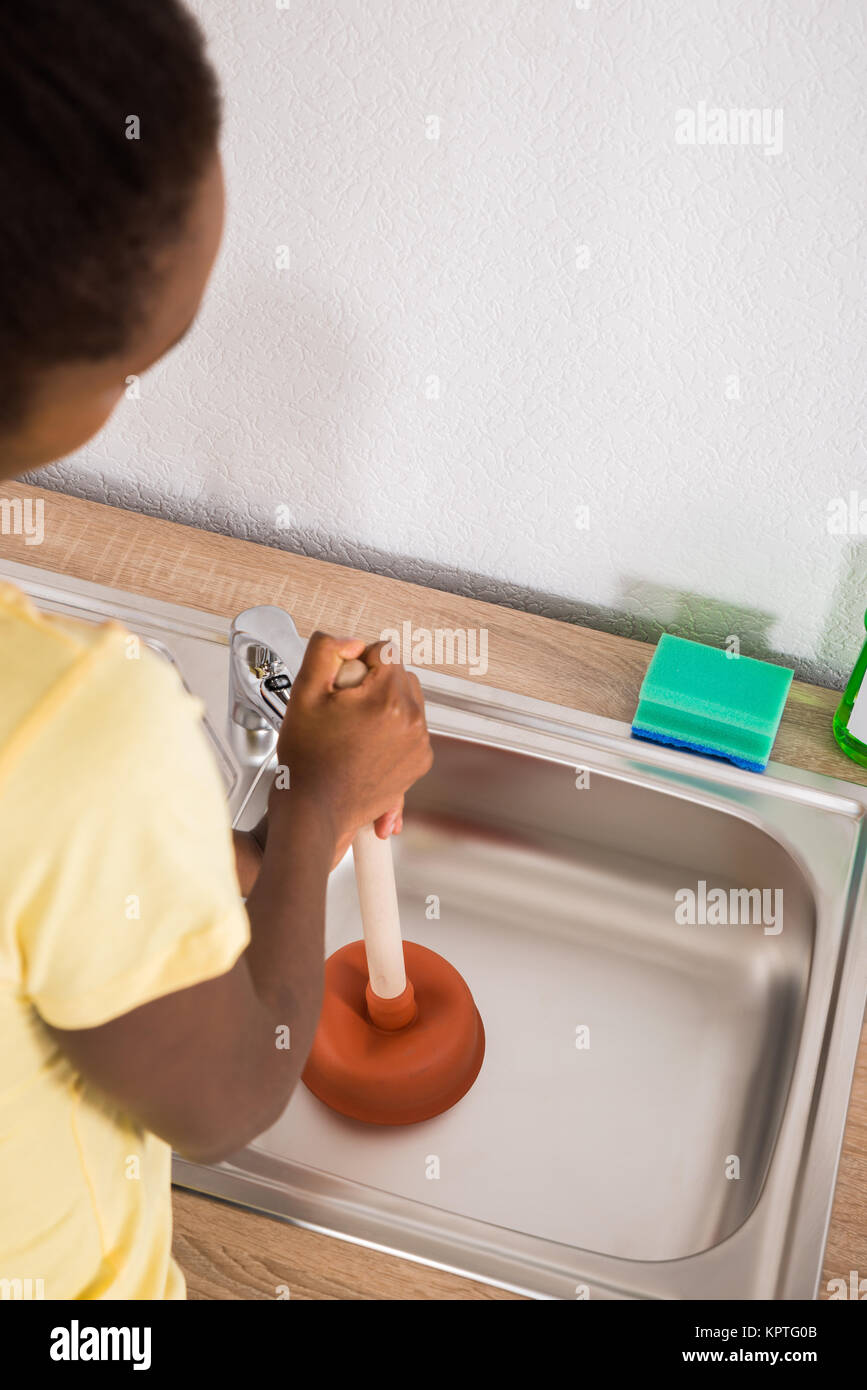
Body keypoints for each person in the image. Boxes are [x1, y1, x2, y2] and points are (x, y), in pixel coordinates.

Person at [0, 0, 432, 1299]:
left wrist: (204, 864)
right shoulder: (73, 730)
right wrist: (310, 817)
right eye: (148, 356)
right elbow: (234, 1091)